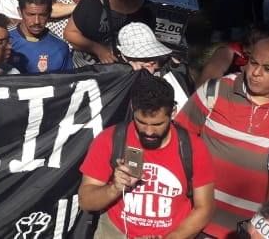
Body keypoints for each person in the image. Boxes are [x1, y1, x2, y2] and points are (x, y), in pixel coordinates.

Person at [177, 38, 269, 237]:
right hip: (194, 221)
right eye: (253, 63)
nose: (256, 73)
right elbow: (177, 139)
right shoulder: (215, 91)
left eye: (268, 69)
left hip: (251, 231)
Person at [78, 73, 215, 238]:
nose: (149, 131)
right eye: (141, 122)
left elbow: (205, 208)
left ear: (173, 112)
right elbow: (86, 202)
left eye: (158, 124)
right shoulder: (109, 139)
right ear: (132, 109)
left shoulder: (193, 147)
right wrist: (114, 189)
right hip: (115, 232)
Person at [65, 0, 156, 66]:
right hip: (85, 68)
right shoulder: (93, 0)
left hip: (122, 72)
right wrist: (97, 49)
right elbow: (69, 33)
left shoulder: (145, 10)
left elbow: (148, 46)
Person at [117, 22, 192, 110]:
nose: (151, 63)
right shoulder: (116, 74)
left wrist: (174, 64)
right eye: (145, 58)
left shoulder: (169, 72)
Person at [9, 0, 73, 74]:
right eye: (31, 14)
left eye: (42, 15)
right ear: (20, 12)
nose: (36, 21)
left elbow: (67, 83)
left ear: (49, 13)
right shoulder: (4, 40)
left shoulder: (60, 48)